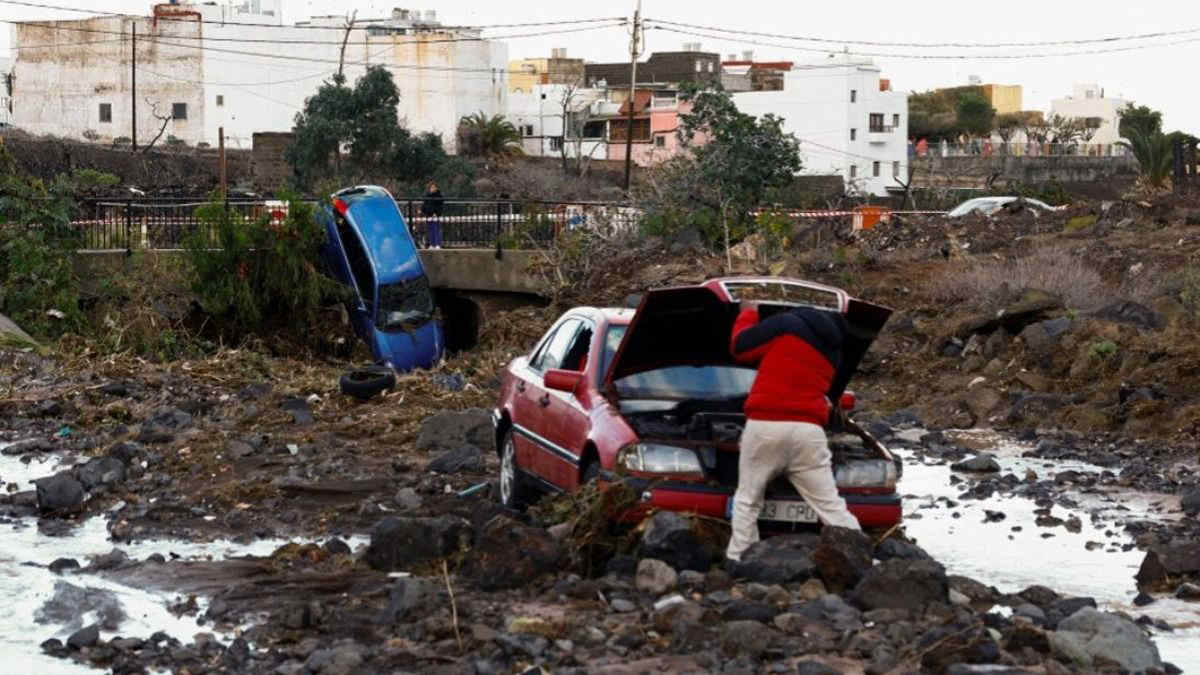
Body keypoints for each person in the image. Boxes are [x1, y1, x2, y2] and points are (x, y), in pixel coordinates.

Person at [725, 302, 861, 563]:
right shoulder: (834, 349)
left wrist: (749, 311)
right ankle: (859, 556)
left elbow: (740, 347)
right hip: (808, 431)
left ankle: (740, 558)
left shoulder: (786, 324)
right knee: (830, 505)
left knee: (748, 499)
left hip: (767, 424)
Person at [420, 181, 445, 249]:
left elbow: (440, 206)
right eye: (431, 187)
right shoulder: (427, 196)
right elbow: (424, 206)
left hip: (436, 215)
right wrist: (425, 212)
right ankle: (431, 244)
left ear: (436, 188)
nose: (432, 189)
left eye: (434, 187)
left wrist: (436, 213)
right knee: (430, 230)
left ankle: (437, 244)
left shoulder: (439, 196)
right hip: (429, 215)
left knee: (436, 229)